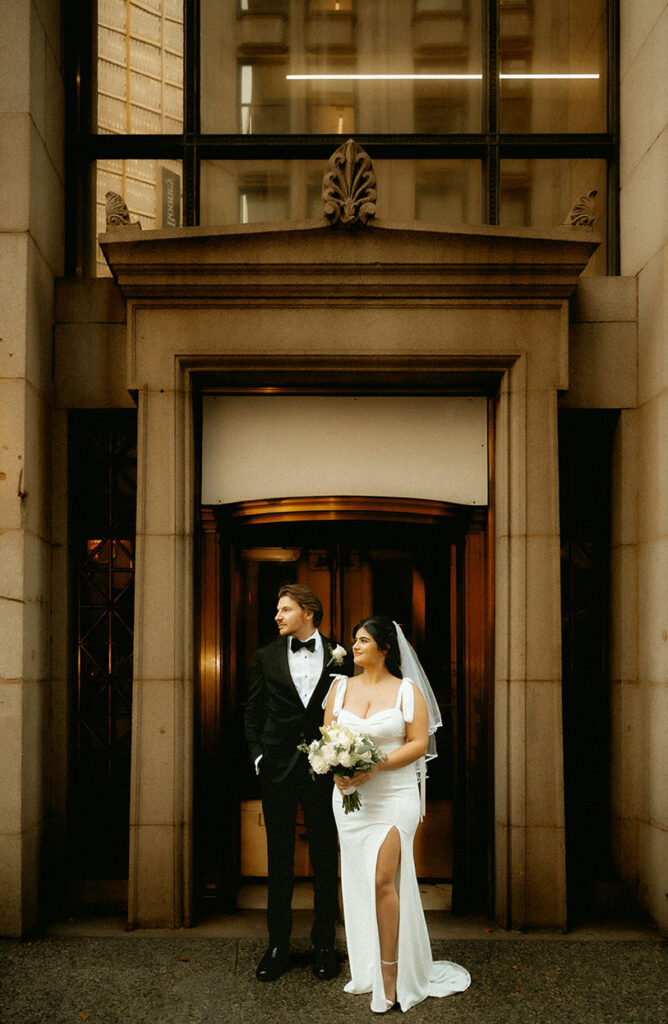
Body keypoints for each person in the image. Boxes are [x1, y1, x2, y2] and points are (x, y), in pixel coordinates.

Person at [323, 615, 471, 1013]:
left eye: (364, 640)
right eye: (354, 640)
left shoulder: (407, 692)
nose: (354, 646)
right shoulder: (338, 690)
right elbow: (327, 741)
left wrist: (374, 766)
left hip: (394, 797)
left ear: (385, 648)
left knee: (383, 880)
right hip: (351, 801)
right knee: (358, 882)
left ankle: (391, 980)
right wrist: (337, 772)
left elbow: (419, 743)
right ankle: (369, 966)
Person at [245, 583, 353, 983]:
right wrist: (259, 756)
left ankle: (325, 945)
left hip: (324, 770)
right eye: (278, 609)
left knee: (326, 858)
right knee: (279, 859)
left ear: (308, 612)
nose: (277, 615)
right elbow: (252, 711)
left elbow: (349, 710)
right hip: (277, 770)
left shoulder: (342, 655)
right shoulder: (266, 656)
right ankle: (278, 946)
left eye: (285, 609)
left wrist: (344, 757)